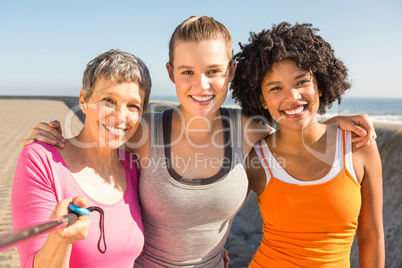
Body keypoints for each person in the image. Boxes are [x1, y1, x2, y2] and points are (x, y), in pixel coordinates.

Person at [20, 17, 377, 267]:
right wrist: (55, 137)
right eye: (187, 72)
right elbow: (100, 135)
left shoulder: (248, 129)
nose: (201, 85)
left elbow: (292, 116)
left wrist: (329, 122)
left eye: (213, 72)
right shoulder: (143, 132)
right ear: (170, 73)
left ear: (231, 73)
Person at [231, 22, 385, 267]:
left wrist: (332, 124)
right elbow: (215, 216)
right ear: (261, 99)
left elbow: (372, 235)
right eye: (275, 88)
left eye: (301, 82)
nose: (292, 96)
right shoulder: (256, 159)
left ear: (320, 85)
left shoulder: (359, 145)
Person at [11, 49, 152, 267]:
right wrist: (61, 239)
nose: (120, 117)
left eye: (133, 106)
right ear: (83, 100)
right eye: (108, 100)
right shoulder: (40, 161)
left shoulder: (133, 167)